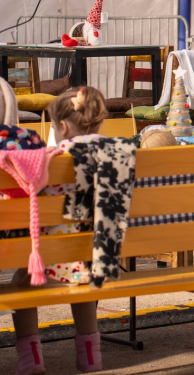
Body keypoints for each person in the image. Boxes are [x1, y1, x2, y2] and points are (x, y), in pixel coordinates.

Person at [8, 87, 110, 375]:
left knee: (22, 279)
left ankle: (31, 360)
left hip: (61, 259)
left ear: (63, 127)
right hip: (101, 259)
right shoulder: (119, 151)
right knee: (82, 278)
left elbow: (33, 193)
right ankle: (91, 358)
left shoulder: (57, 158)